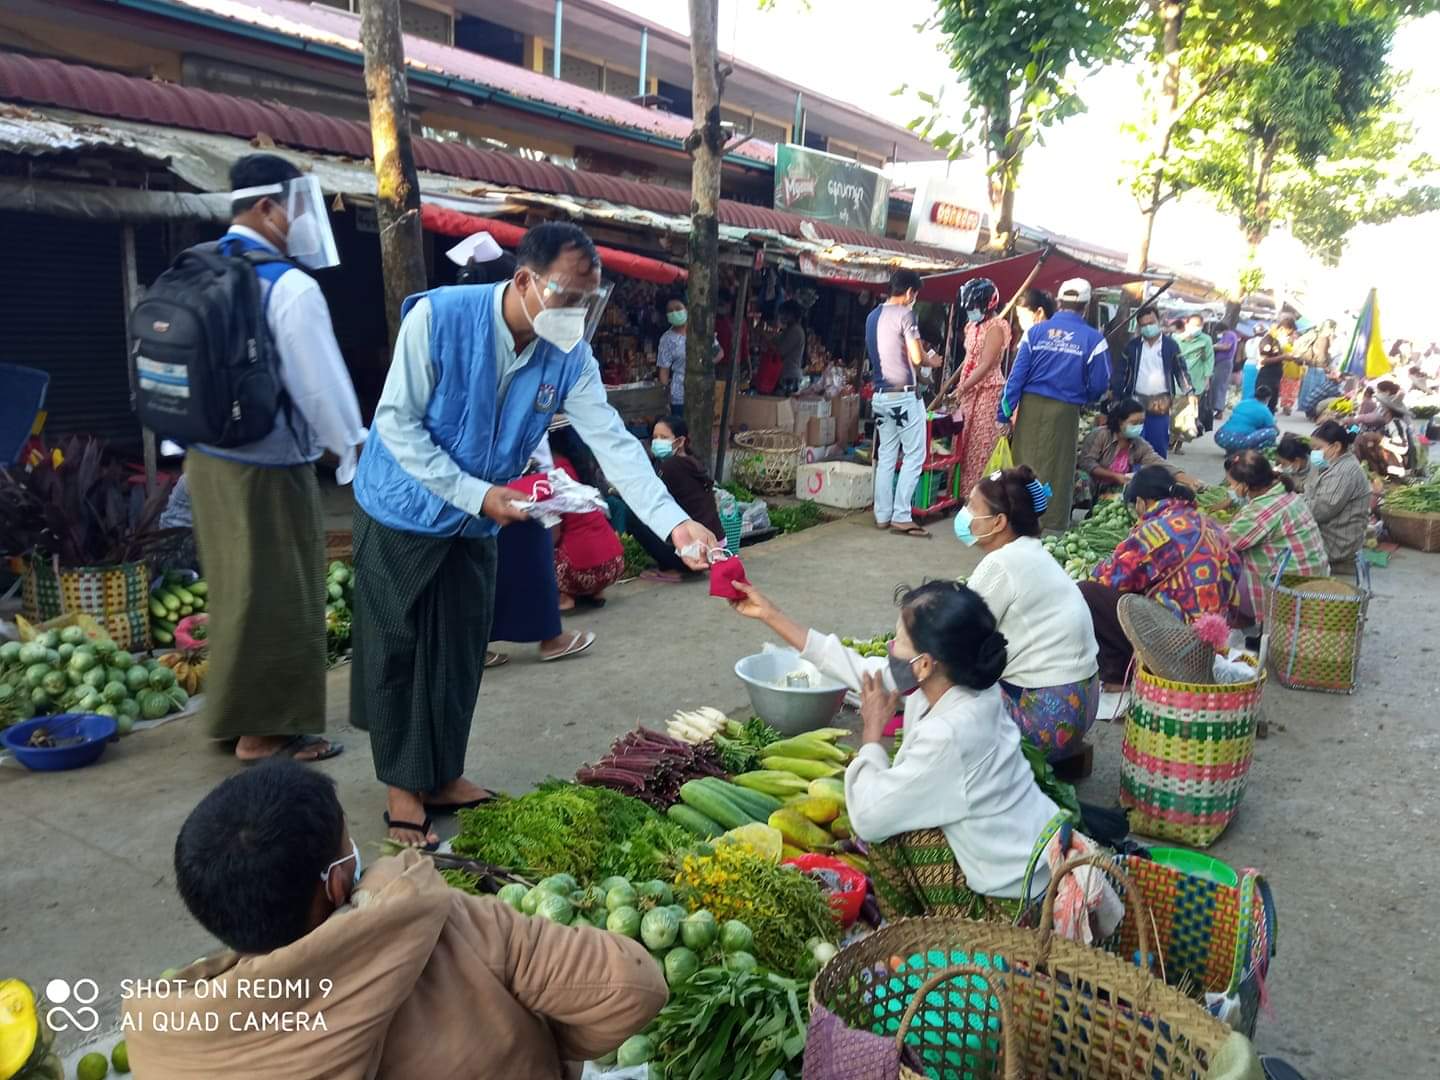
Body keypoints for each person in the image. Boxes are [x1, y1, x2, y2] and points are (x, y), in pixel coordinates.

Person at [351, 222, 715, 847]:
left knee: (460, 651)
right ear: (523, 280)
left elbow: (614, 444)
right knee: (399, 650)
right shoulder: (438, 320)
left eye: (589, 301)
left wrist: (674, 520)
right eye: (568, 296)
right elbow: (398, 425)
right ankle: (403, 788)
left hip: (476, 519)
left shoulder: (570, 355)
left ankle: (442, 775)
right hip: (402, 506)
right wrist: (479, 494)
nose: (577, 313)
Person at [123, 762, 666, 1079]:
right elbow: (632, 988)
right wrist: (549, 1045)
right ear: (337, 882)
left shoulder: (166, 1040)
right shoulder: (444, 921)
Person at [728, 579, 1068, 921]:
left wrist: (872, 732)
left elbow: (868, 817)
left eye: (899, 642)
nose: (890, 647)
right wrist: (770, 614)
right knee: (895, 807)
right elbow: (859, 670)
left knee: (886, 832)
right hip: (1035, 861)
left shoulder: (950, 732)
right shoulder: (962, 683)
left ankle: (910, 943)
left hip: (1012, 904)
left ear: (924, 664)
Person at [186, 153, 365, 764]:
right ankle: (266, 733)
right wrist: (352, 451)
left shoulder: (198, 267)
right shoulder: (288, 285)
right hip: (267, 465)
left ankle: (232, 717)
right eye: (292, 208)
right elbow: (321, 388)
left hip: (205, 458)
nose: (298, 222)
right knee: (282, 593)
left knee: (234, 587)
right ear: (267, 207)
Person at [957, 467, 1100, 760]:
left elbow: (956, 637)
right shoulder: (1035, 553)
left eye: (972, 506)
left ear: (998, 522)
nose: (965, 513)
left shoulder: (1000, 563)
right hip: (1081, 710)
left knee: (944, 674)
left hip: (1044, 724)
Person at [1078, 468, 1242, 688]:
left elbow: (1110, 579)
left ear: (1141, 502)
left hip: (1177, 643)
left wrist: (1094, 569)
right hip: (1215, 639)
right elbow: (1235, 571)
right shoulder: (1208, 523)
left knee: (1089, 592)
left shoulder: (1157, 530)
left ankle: (1120, 675)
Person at [997, 277, 1111, 529]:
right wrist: (1085, 396)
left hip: (1030, 409)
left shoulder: (1034, 333)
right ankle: (1051, 521)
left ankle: (1018, 518)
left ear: (1058, 302)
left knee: (1023, 465)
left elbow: (1015, 379)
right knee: (1057, 469)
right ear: (1087, 305)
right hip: (1065, 411)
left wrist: (1003, 415)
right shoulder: (1093, 339)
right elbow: (1101, 384)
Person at [489, 462, 597, 668]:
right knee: (529, 551)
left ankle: (549, 634)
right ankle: (550, 635)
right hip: (495, 479)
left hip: (510, 479)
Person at [871, 269, 943, 537]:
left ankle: (882, 515)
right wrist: (931, 361)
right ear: (910, 292)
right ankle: (901, 515)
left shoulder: (872, 316)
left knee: (887, 454)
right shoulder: (905, 315)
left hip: (879, 396)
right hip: (903, 396)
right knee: (915, 455)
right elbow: (916, 356)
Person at [1222, 451, 1330, 628]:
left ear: (1244, 486)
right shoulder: (1283, 492)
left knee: (1219, 575)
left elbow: (1224, 542)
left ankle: (1242, 629)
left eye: (1232, 484)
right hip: (1312, 575)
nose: (1231, 488)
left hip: (1291, 589)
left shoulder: (1263, 510)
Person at [628, 417, 726, 583]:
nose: (657, 442)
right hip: (716, 542)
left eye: (664, 438)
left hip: (699, 548)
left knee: (633, 517)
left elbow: (652, 499)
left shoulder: (671, 466)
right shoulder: (690, 461)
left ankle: (678, 567)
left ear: (680, 441)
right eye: (655, 438)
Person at [548, 429, 625, 610]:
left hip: (581, 569)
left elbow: (554, 532)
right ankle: (594, 591)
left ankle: (566, 597)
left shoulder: (553, 474)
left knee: (538, 548)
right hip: (613, 563)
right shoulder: (579, 466)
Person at [1111, 307, 1193, 459]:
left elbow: (1180, 370)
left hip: (1160, 402)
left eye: (1151, 322)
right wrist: (1116, 397)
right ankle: (1132, 478)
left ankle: (1158, 479)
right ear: (1139, 326)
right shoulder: (1132, 347)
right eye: (1144, 324)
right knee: (1133, 444)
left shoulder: (1170, 346)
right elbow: (1120, 373)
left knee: (1158, 446)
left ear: (1159, 321)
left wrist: (1189, 392)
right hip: (1135, 401)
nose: (1148, 327)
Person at [1078, 398, 1196, 502]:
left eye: (1141, 423)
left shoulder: (1138, 444)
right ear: (1120, 422)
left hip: (1118, 485)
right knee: (1081, 479)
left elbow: (1157, 462)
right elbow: (1087, 463)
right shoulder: (1101, 435)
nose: (1138, 426)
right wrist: (1114, 476)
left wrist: (1186, 479)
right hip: (1093, 481)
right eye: (1134, 423)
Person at [954, 277, 1011, 492]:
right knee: (962, 441)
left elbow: (986, 364)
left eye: (974, 307)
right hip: (968, 389)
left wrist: (963, 387)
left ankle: (977, 494)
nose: (971, 310)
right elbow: (969, 358)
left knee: (979, 444)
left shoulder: (997, 327)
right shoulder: (971, 326)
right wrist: (961, 386)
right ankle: (959, 491)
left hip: (987, 391)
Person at [1304, 421, 1372, 571]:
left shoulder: (1344, 472)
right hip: (1331, 533)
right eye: (1313, 449)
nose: (1314, 453)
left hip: (1337, 544)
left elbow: (1319, 511)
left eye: (1318, 448)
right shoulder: (1330, 464)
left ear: (1336, 447)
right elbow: (1309, 491)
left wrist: (1292, 506)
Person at [655, 297, 721, 420]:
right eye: (670, 311)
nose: (674, 312)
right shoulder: (667, 339)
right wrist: (666, 397)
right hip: (679, 394)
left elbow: (719, 353)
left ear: (687, 309)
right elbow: (664, 370)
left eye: (678, 308)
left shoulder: (701, 330)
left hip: (702, 390)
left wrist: (705, 365)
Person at [1176, 314, 1216, 433]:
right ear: (1186, 324)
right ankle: (1172, 438)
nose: (1195, 328)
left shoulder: (1206, 340)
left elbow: (1209, 360)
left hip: (1197, 380)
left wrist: (1207, 378)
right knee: (1175, 411)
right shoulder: (1176, 338)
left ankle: (1178, 442)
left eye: (1198, 326)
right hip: (1178, 379)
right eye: (1193, 325)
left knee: (1189, 413)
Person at [1214, 385, 1281, 450]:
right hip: (1239, 440)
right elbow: (1276, 430)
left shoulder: (1242, 403)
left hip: (1221, 437)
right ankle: (1254, 452)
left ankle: (1232, 450)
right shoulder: (1265, 410)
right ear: (1268, 398)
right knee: (1272, 432)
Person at [1255, 315, 1297, 412]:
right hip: (1266, 376)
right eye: (1288, 334)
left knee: (1272, 406)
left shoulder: (1277, 341)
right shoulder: (1268, 339)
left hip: (1275, 378)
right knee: (1262, 406)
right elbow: (1263, 360)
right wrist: (1283, 357)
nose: (1288, 337)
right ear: (1282, 329)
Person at [774, 299, 808, 395]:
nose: (782, 317)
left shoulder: (795, 331)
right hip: (787, 374)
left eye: (784, 314)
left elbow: (781, 351)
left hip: (789, 375)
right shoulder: (789, 329)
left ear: (791, 314)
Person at [1210, 321, 1242, 422]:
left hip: (1224, 362)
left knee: (1219, 385)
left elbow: (1226, 346)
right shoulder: (1228, 335)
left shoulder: (1229, 334)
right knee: (1216, 385)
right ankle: (1216, 408)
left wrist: (1213, 346)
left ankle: (1219, 409)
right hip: (1221, 363)